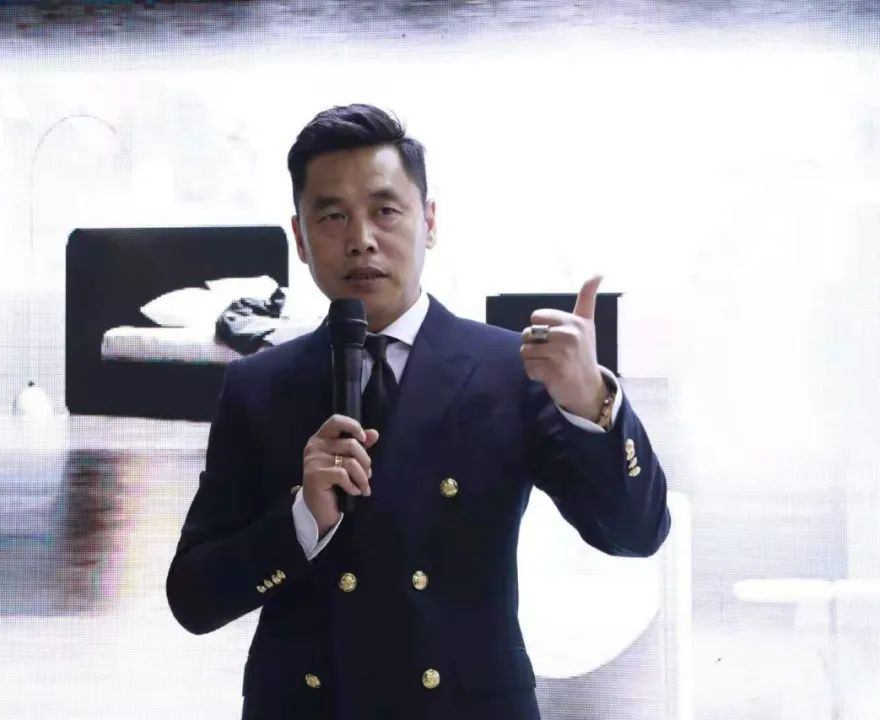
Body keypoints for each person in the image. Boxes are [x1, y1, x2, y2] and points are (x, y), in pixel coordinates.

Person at [166, 103, 671, 720]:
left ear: (428, 221)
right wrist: (301, 522)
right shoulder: (259, 384)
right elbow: (193, 599)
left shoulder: (508, 368)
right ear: (299, 237)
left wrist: (592, 402)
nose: (361, 239)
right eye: (332, 215)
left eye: (385, 210)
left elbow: (637, 533)